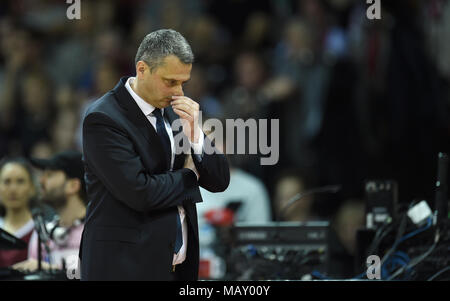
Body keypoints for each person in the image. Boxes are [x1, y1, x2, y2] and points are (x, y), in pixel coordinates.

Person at [80, 29, 230, 281]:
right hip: (122, 266)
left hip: (175, 267)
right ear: (142, 69)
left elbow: (219, 180)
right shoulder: (103, 118)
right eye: (170, 81)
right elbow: (140, 192)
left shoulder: (175, 110)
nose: (178, 92)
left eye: (183, 82)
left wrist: (196, 134)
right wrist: (190, 174)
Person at [12, 151, 86, 272]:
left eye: (50, 175)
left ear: (73, 186)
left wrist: (52, 272)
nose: (41, 181)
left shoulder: (96, 232)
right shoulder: (42, 233)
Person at [0, 157, 37, 268]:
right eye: (7, 182)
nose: (13, 189)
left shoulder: (43, 231)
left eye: (20, 181)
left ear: (32, 188)